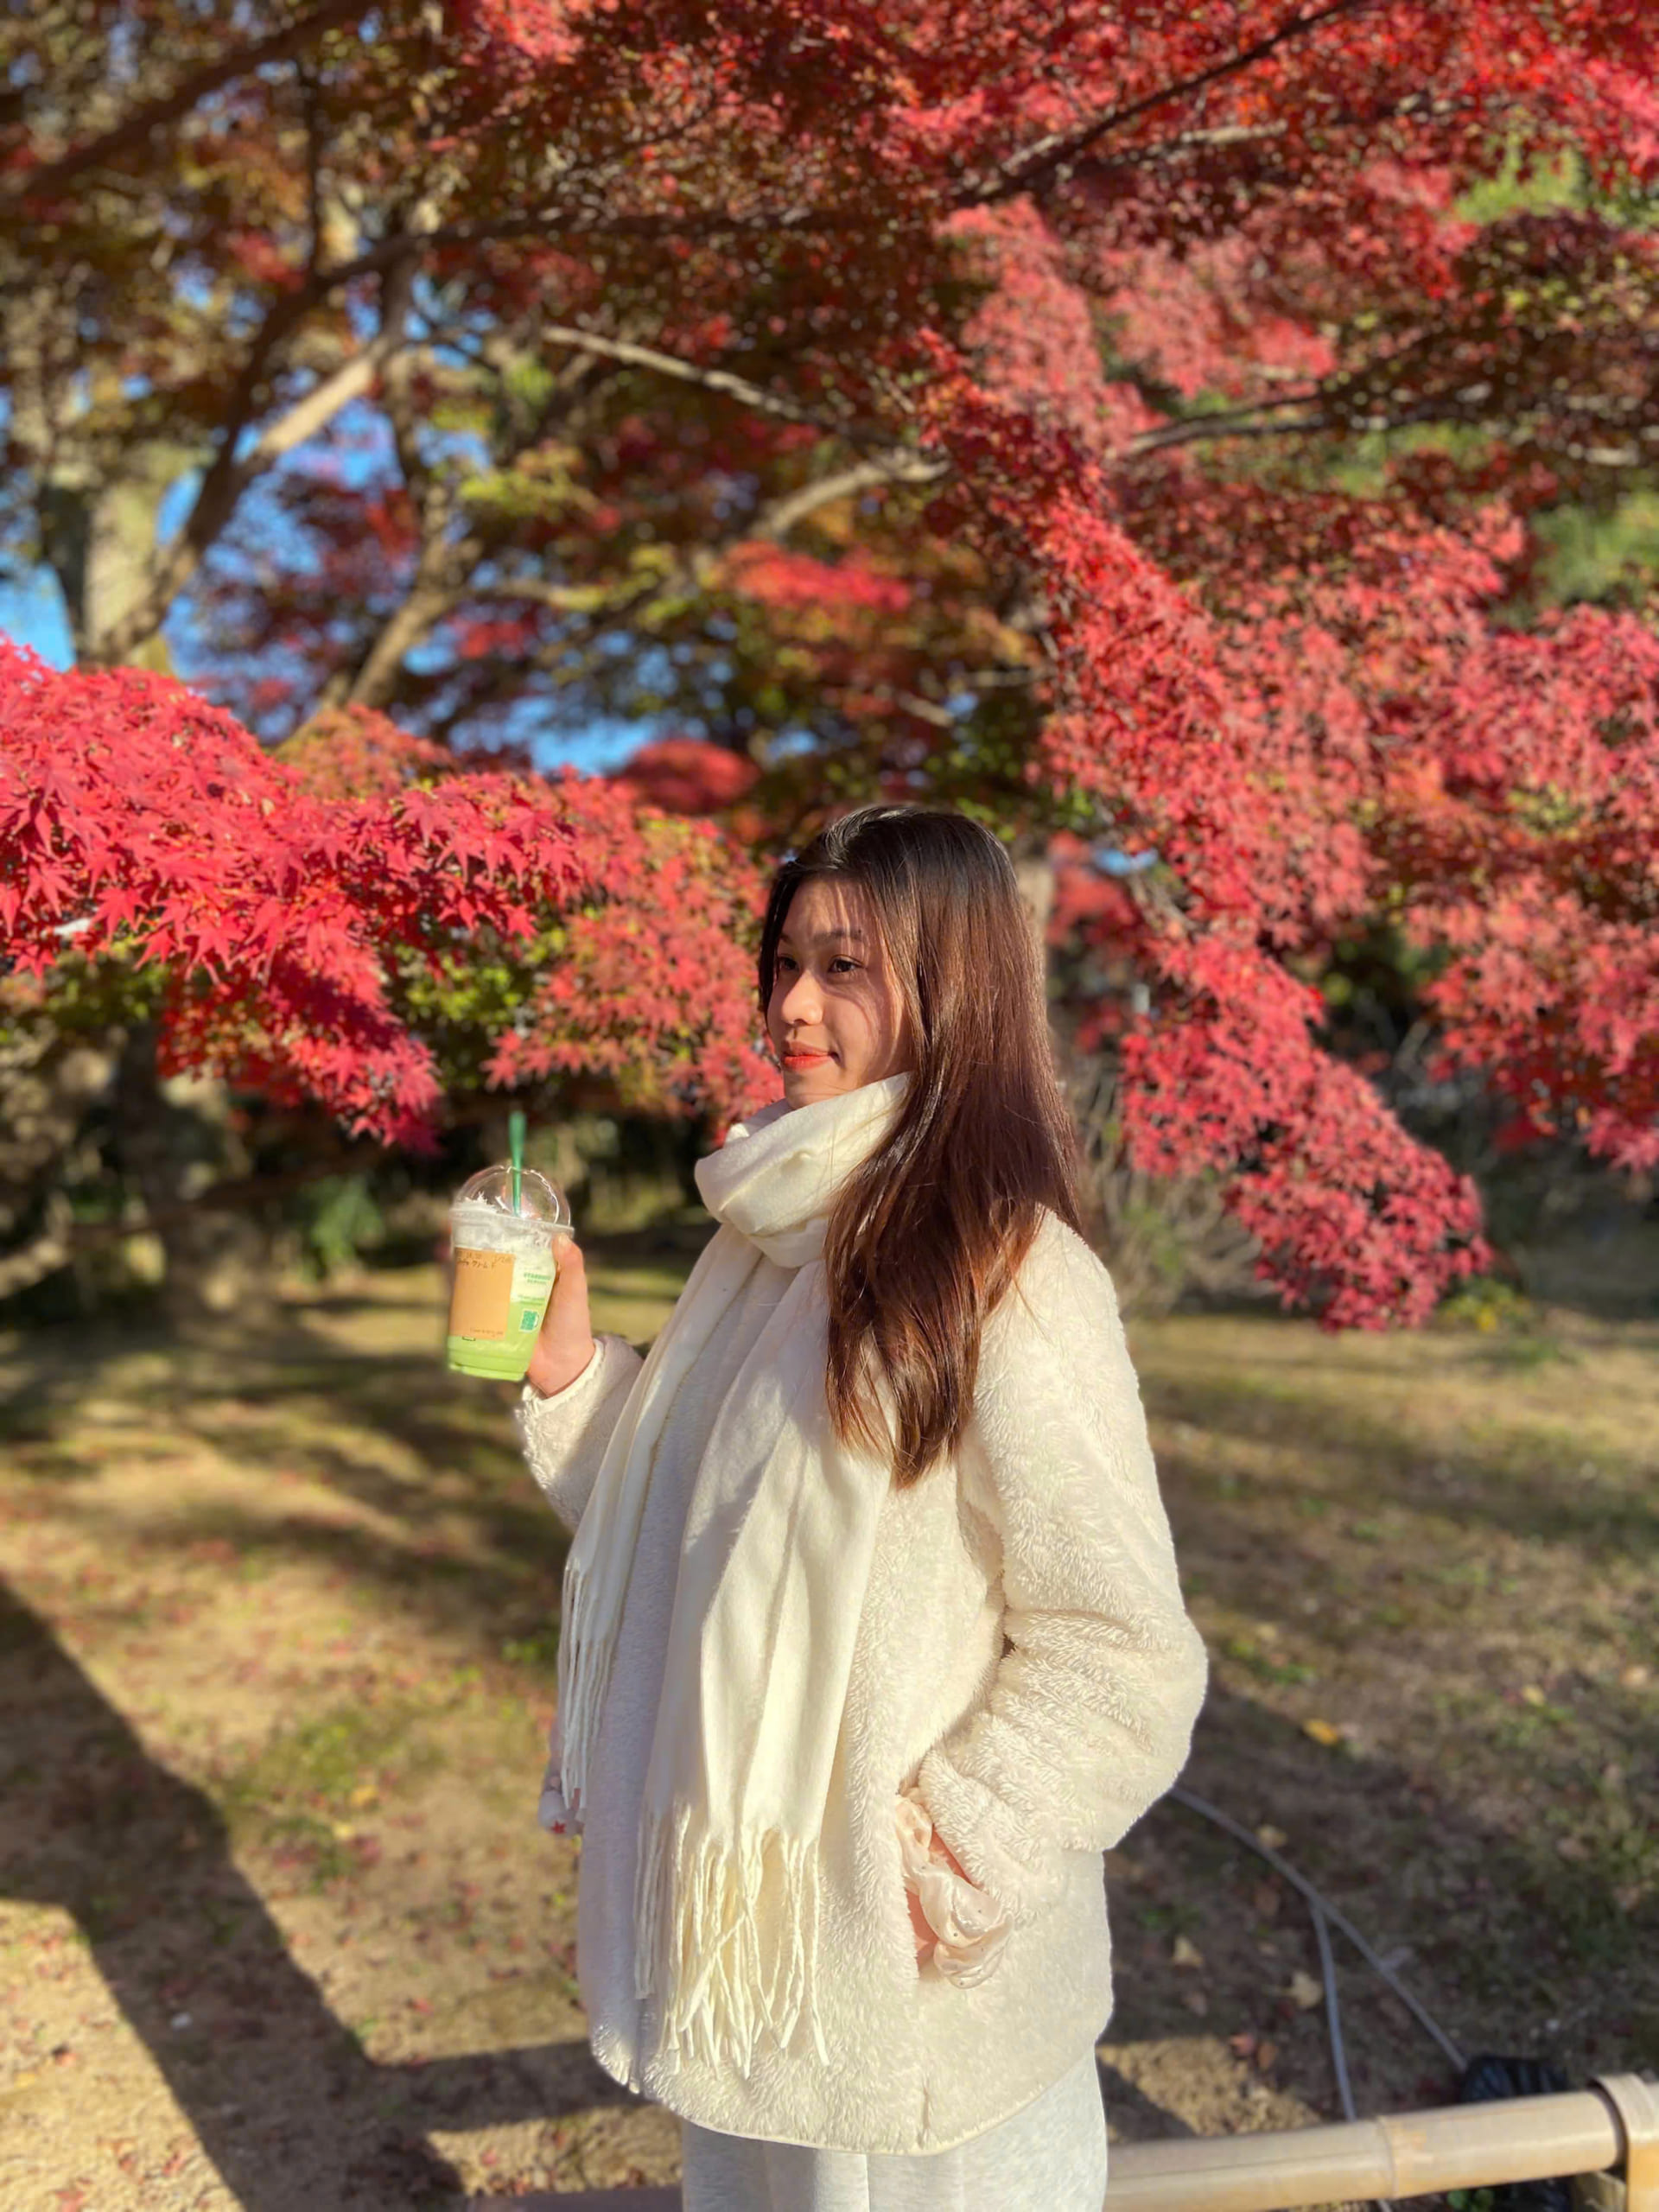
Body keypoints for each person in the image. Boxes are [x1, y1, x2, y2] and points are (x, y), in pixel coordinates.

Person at [514, 803, 1208, 2211]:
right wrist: (573, 1377)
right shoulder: (765, 1247)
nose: (791, 1005)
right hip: (753, 1980)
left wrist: (941, 1863)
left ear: (952, 987)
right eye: (784, 963)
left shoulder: (1012, 1276)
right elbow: (690, 1541)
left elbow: (1123, 1649)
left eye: (844, 968)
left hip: (921, 2025)